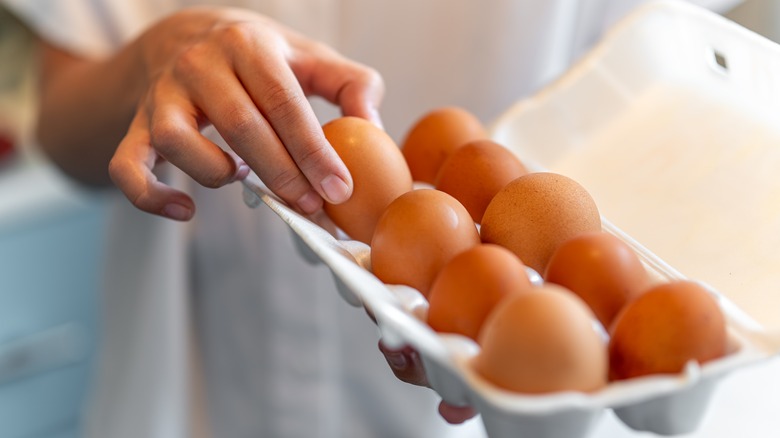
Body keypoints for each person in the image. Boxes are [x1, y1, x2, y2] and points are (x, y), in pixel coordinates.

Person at [0, 1, 741, 437]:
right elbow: (61, 132)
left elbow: (667, 80)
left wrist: (512, 306)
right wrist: (153, 57)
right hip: (190, 397)